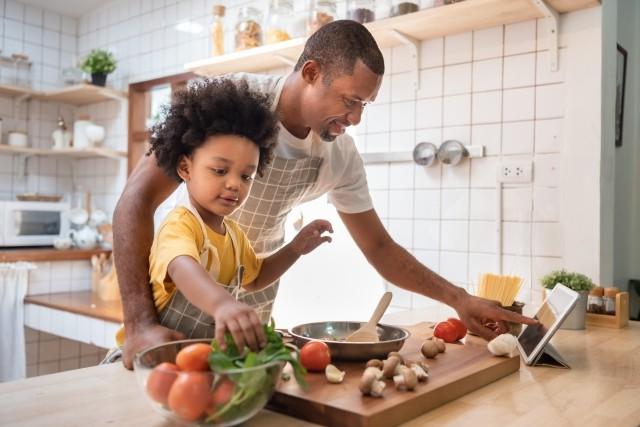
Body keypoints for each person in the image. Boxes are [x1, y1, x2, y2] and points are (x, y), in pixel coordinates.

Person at [114, 20, 535, 369]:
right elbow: (136, 200)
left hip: (250, 304)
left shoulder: (339, 155)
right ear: (312, 72)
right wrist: (138, 325)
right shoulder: (234, 103)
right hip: (177, 305)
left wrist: (458, 299)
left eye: (364, 106)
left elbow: (379, 247)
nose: (354, 119)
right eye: (350, 100)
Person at [115, 79, 333, 352]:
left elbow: (256, 279)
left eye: (246, 176)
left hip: (198, 362)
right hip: (154, 355)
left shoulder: (233, 235)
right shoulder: (181, 224)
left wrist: (295, 249)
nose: (234, 184)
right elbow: (182, 267)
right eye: (220, 171)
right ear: (185, 168)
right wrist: (223, 304)